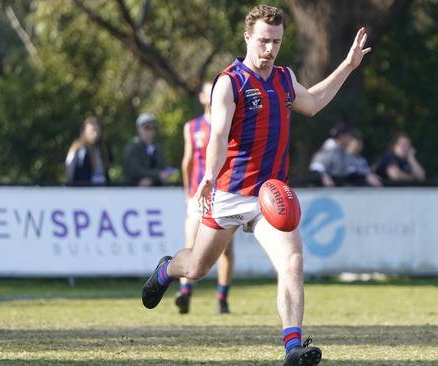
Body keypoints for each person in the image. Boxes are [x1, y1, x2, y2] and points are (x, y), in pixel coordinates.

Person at [141, 5, 371, 366]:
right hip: (230, 194)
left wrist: (348, 66)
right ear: (247, 37)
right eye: (264, 40)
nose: (270, 48)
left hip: (270, 196)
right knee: (197, 268)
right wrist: (207, 177)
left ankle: (292, 346)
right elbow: (217, 136)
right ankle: (168, 269)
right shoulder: (229, 82)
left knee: (293, 261)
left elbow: (312, 103)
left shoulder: (283, 78)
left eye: (276, 41)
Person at [176, 82, 235, 315]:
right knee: (190, 243)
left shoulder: (231, 123)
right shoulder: (192, 127)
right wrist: (188, 191)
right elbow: (187, 161)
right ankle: (185, 292)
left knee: (226, 250)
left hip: (223, 194)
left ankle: (222, 297)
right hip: (198, 195)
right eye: (208, 92)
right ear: (201, 97)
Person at [122, 113, 175, 186]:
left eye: (153, 127)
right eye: (147, 127)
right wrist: (157, 175)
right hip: (133, 188)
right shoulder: (133, 146)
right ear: (139, 129)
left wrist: (165, 174)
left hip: (155, 188)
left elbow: (162, 166)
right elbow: (134, 170)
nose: (150, 131)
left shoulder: (156, 147)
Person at [65, 116, 110, 186]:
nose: (95, 134)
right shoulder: (79, 149)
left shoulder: (101, 149)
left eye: (98, 130)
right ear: (84, 131)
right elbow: (73, 173)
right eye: (93, 130)